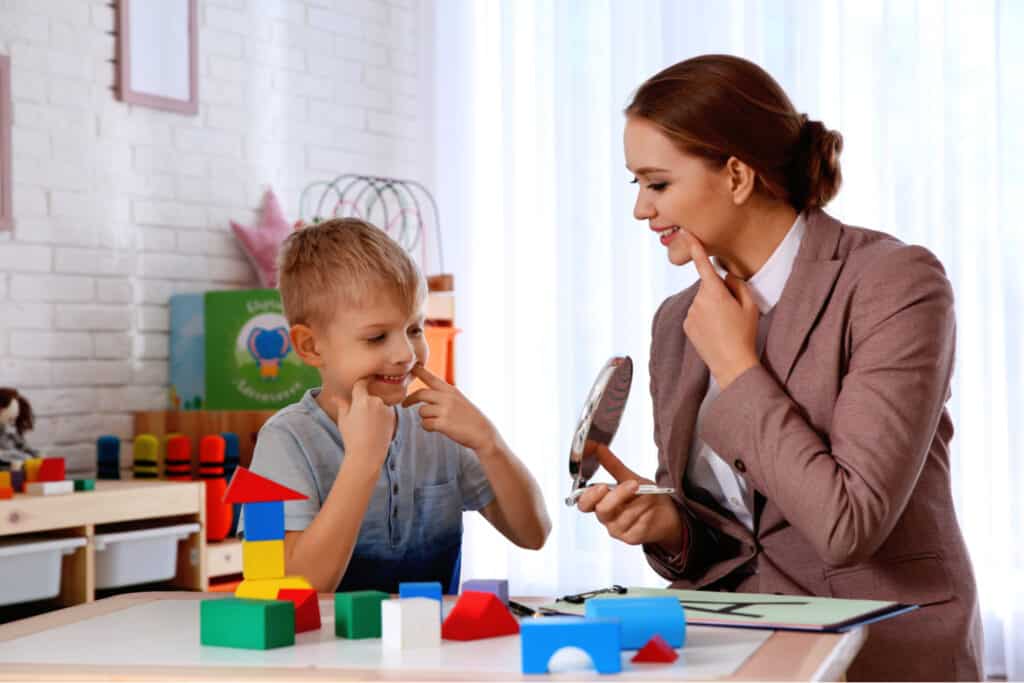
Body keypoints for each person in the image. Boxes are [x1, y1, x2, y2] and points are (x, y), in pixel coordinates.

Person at [576, 54, 982, 681]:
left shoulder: (893, 284)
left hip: (881, 656)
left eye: (657, 184)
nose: (641, 210)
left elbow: (848, 524)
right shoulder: (676, 321)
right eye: (637, 186)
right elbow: (736, 534)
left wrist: (737, 366)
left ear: (737, 175)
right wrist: (669, 527)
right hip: (733, 658)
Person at [245, 217, 551, 594]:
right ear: (310, 346)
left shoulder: (437, 427)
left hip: (426, 652)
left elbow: (533, 534)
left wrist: (491, 444)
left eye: (415, 329)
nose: (406, 354)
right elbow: (292, 591)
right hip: (323, 653)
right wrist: (362, 461)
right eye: (376, 337)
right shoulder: (284, 440)